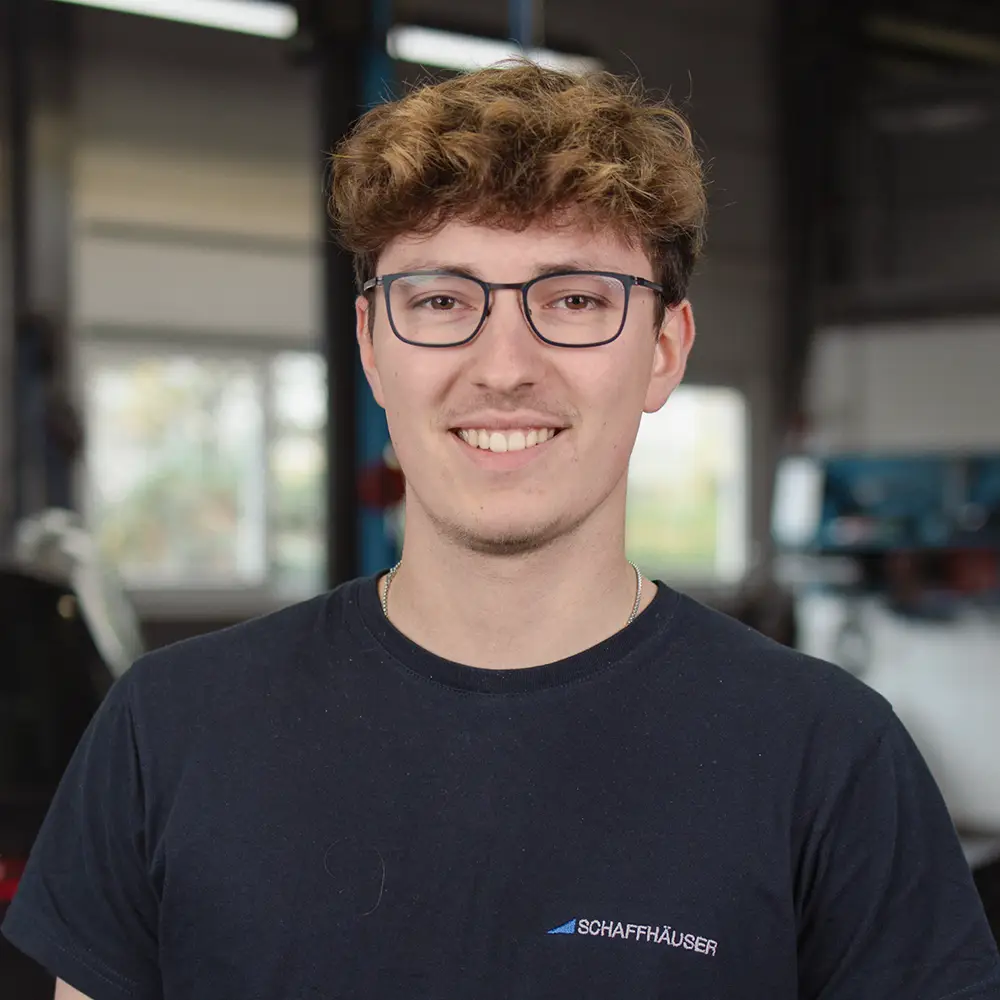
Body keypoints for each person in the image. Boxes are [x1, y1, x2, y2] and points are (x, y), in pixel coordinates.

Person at [3, 61, 999, 1000]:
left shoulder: (829, 757)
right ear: (371, 346)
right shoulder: (168, 731)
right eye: (441, 300)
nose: (505, 366)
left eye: (575, 299)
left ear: (663, 349)